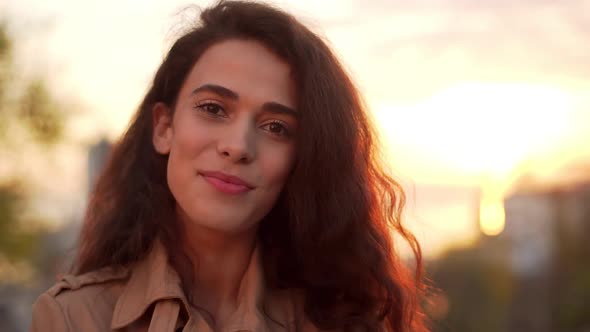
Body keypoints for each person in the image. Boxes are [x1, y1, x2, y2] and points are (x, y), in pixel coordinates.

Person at [30, 1, 428, 331]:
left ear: (303, 158)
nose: (237, 147)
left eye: (276, 127)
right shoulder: (73, 317)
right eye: (213, 109)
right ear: (164, 127)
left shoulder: (346, 321)